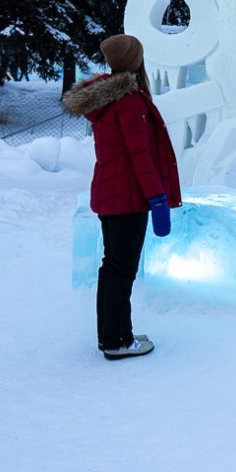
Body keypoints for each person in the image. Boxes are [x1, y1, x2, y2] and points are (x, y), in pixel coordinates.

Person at [64, 34, 181, 360]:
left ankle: (112, 336)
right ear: (136, 61)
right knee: (121, 270)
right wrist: (157, 199)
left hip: (111, 192)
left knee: (112, 267)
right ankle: (118, 342)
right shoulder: (128, 100)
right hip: (128, 197)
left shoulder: (109, 96)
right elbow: (139, 155)